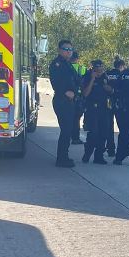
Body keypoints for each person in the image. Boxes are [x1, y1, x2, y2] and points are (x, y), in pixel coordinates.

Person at [48, 39, 78, 168]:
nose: (69, 52)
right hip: (62, 100)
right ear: (60, 50)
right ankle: (62, 158)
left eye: (71, 49)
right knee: (66, 130)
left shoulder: (68, 64)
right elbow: (56, 82)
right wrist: (66, 92)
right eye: (66, 49)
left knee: (68, 130)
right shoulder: (57, 64)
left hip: (69, 101)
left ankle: (64, 156)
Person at [80, 60, 112, 165]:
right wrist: (92, 79)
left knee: (104, 133)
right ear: (93, 68)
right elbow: (85, 93)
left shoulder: (106, 77)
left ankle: (99, 156)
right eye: (97, 68)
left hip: (104, 108)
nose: (99, 70)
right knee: (93, 133)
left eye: (101, 67)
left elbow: (112, 90)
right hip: (92, 109)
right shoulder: (87, 77)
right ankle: (87, 154)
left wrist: (109, 88)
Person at [105, 58, 125, 158]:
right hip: (119, 102)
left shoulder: (107, 73)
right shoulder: (123, 75)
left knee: (109, 126)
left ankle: (110, 149)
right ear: (121, 66)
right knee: (122, 126)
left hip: (108, 102)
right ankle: (121, 150)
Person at [70, 51, 87, 144]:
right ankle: (75, 138)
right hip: (79, 97)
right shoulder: (82, 68)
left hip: (67, 97)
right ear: (77, 59)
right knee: (76, 119)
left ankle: (67, 136)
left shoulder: (65, 67)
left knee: (68, 118)